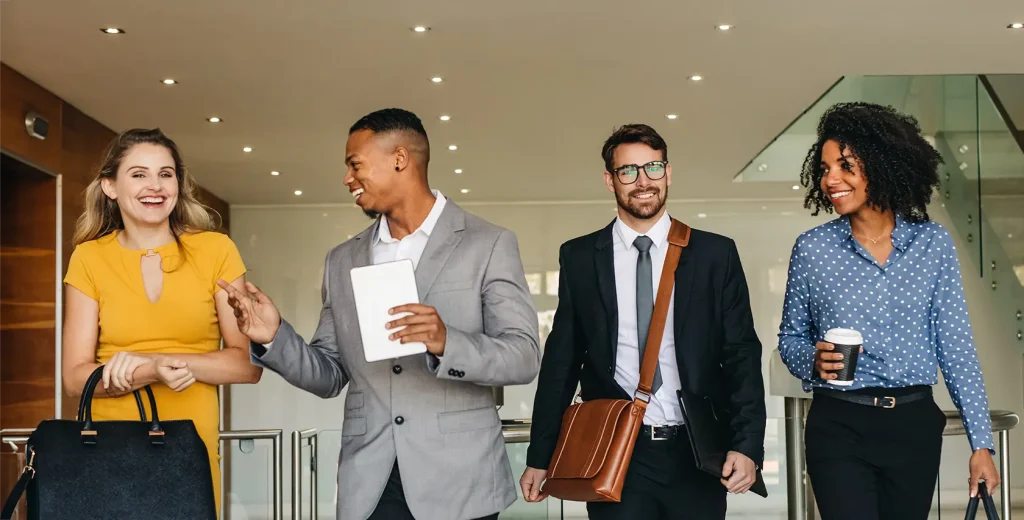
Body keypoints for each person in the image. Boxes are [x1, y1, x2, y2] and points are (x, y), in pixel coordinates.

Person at [220, 108, 541, 520]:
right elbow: (329, 373)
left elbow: (523, 356)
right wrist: (273, 336)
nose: (347, 179)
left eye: (355, 164)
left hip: (460, 481)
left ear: (400, 159)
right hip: (370, 481)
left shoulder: (489, 244)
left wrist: (448, 343)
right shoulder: (342, 259)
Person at [520, 124, 766, 519]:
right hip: (615, 453)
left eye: (653, 168)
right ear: (610, 180)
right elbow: (561, 362)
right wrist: (540, 454)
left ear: (668, 172)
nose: (643, 181)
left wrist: (748, 444)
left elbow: (740, 353)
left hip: (697, 451)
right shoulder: (581, 257)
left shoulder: (714, 254)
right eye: (628, 171)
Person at [778, 102, 1001, 520]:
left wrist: (981, 445)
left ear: (882, 164)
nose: (832, 179)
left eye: (845, 165)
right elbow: (789, 338)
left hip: (913, 426)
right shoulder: (812, 249)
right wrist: (813, 358)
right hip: (839, 425)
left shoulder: (932, 244)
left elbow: (955, 348)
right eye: (825, 169)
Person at [62, 128, 262, 514]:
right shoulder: (88, 258)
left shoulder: (216, 250)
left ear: (178, 184)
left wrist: (150, 362)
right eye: (138, 174)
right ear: (110, 186)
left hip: (191, 444)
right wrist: (153, 370)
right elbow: (74, 377)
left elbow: (247, 363)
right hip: (107, 444)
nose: (155, 186)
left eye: (165, 174)